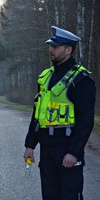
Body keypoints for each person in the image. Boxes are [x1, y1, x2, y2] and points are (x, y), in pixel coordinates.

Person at [23, 26, 96, 200]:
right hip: (47, 150)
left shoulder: (81, 80)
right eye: (51, 46)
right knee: (49, 196)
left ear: (68, 50)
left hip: (67, 151)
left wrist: (74, 152)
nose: (51, 50)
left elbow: (86, 121)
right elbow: (37, 115)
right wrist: (30, 146)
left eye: (55, 47)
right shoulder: (46, 77)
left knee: (70, 196)